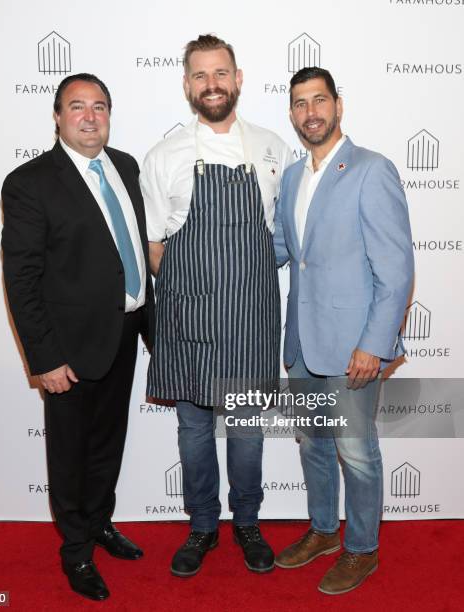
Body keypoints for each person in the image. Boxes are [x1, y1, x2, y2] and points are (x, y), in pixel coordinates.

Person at [140, 34, 292, 577]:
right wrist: (196, 289)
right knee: (194, 433)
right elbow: (155, 246)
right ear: (186, 85)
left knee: (248, 431)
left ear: (239, 78)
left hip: (251, 317)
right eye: (201, 76)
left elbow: (282, 236)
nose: (212, 85)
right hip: (190, 321)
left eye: (221, 73)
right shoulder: (164, 156)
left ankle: (247, 522)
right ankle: (202, 526)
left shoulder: (274, 147)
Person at [1, 73, 154, 601]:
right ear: (58, 116)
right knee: (69, 454)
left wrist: (155, 332)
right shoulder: (29, 183)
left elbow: (132, 256)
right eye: (78, 107)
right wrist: (44, 357)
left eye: (100, 107)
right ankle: (76, 553)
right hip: (67, 347)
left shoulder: (127, 167)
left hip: (125, 331)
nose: (90, 117)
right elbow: (21, 280)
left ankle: (99, 524)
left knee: (108, 442)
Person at [273, 67, 414, 594]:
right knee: (312, 443)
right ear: (291, 113)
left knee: (355, 450)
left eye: (319, 101)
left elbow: (396, 270)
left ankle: (362, 548)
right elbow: (286, 252)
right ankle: (323, 531)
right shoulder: (291, 177)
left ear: (338, 105)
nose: (311, 112)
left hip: (354, 345)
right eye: (300, 103)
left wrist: (374, 345)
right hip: (304, 344)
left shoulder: (372, 170)